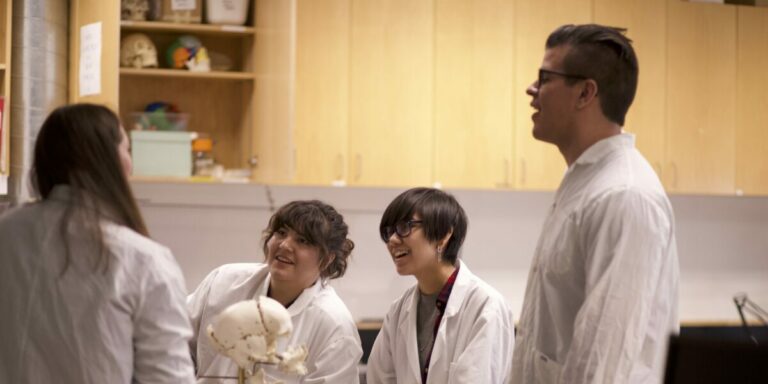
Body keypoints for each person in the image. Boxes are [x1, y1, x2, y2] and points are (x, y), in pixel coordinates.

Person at [510, 24, 679, 384]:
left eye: (544, 77)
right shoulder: (584, 183)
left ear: (586, 93)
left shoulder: (623, 196)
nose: (531, 89)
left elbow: (601, 363)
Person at [0, 103, 195, 383]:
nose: (131, 163)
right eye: (126, 149)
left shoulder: (6, 231)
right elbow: (168, 379)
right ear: (110, 161)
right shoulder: (142, 260)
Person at [188, 200, 363, 383]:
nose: (285, 245)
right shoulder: (224, 282)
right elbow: (171, 343)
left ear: (327, 259)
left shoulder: (335, 326)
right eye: (281, 233)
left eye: (302, 240)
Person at [367, 187, 515, 384]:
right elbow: (380, 378)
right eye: (388, 232)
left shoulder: (486, 306)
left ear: (443, 236)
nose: (393, 240)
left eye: (404, 227)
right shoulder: (399, 311)